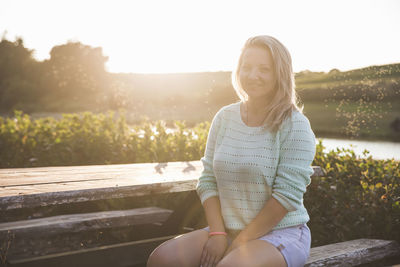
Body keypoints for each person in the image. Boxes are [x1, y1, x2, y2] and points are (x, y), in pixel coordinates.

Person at [147, 35, 316, 267]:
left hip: (280, 232)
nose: (252, 75)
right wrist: (218, 234)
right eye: (246, 67)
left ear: (280, 74)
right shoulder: (225, 117)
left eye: (264, 69)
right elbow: (208, 180)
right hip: (225, 229)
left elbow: (286, 196)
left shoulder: (295, 124)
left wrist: (240, 243)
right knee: (162, 259)